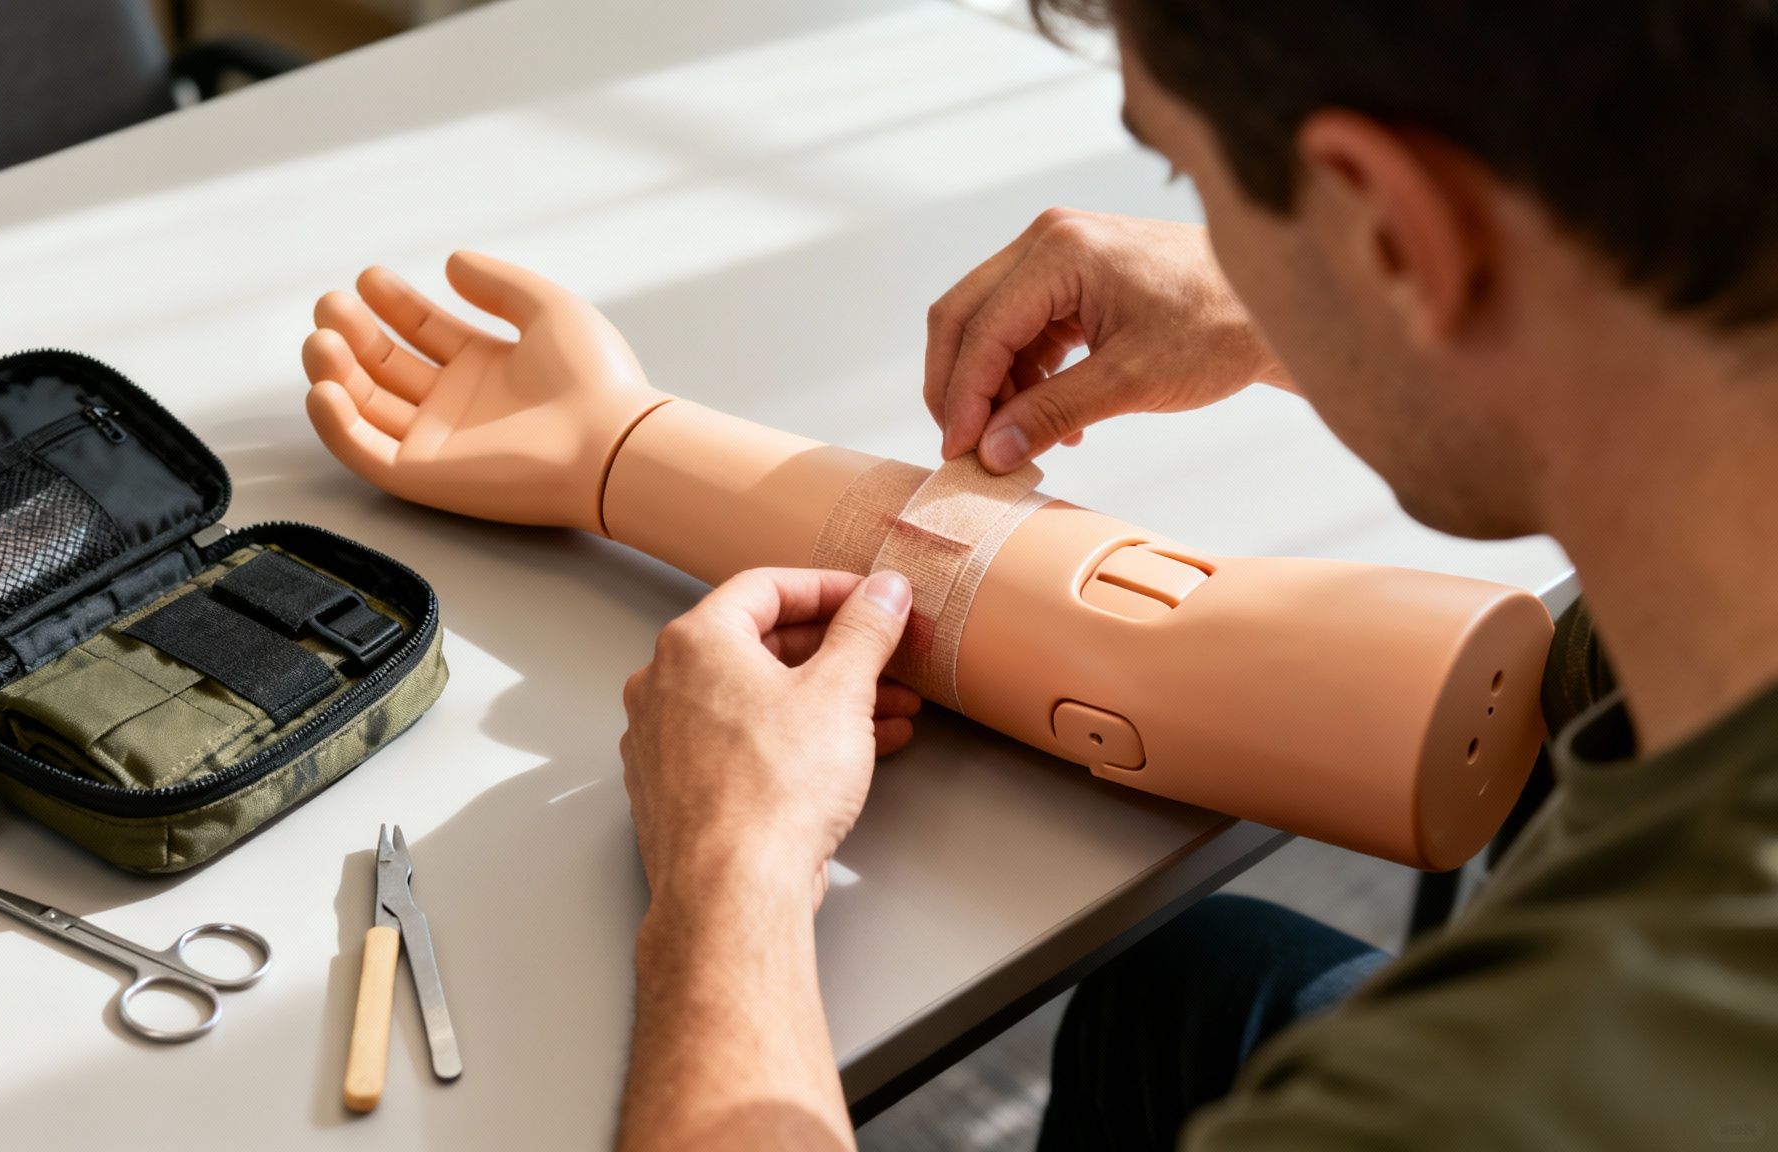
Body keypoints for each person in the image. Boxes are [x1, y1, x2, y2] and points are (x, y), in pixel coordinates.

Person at [612, 1, 1778, 1149]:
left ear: (1391, 229)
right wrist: (1306, 314)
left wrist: (730, 880)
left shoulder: (1468, 1097)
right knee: (1187, 983)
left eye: (1185, 176)